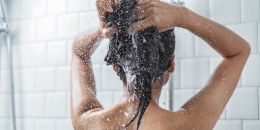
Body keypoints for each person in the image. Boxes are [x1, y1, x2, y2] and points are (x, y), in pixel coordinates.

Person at [70, 0, 251, 130]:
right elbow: (239, 52)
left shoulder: (89, 123)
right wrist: (183, 17)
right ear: (171, 64)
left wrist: (104, 30)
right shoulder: (188, 125)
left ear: (116, 66)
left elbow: (79, 52)